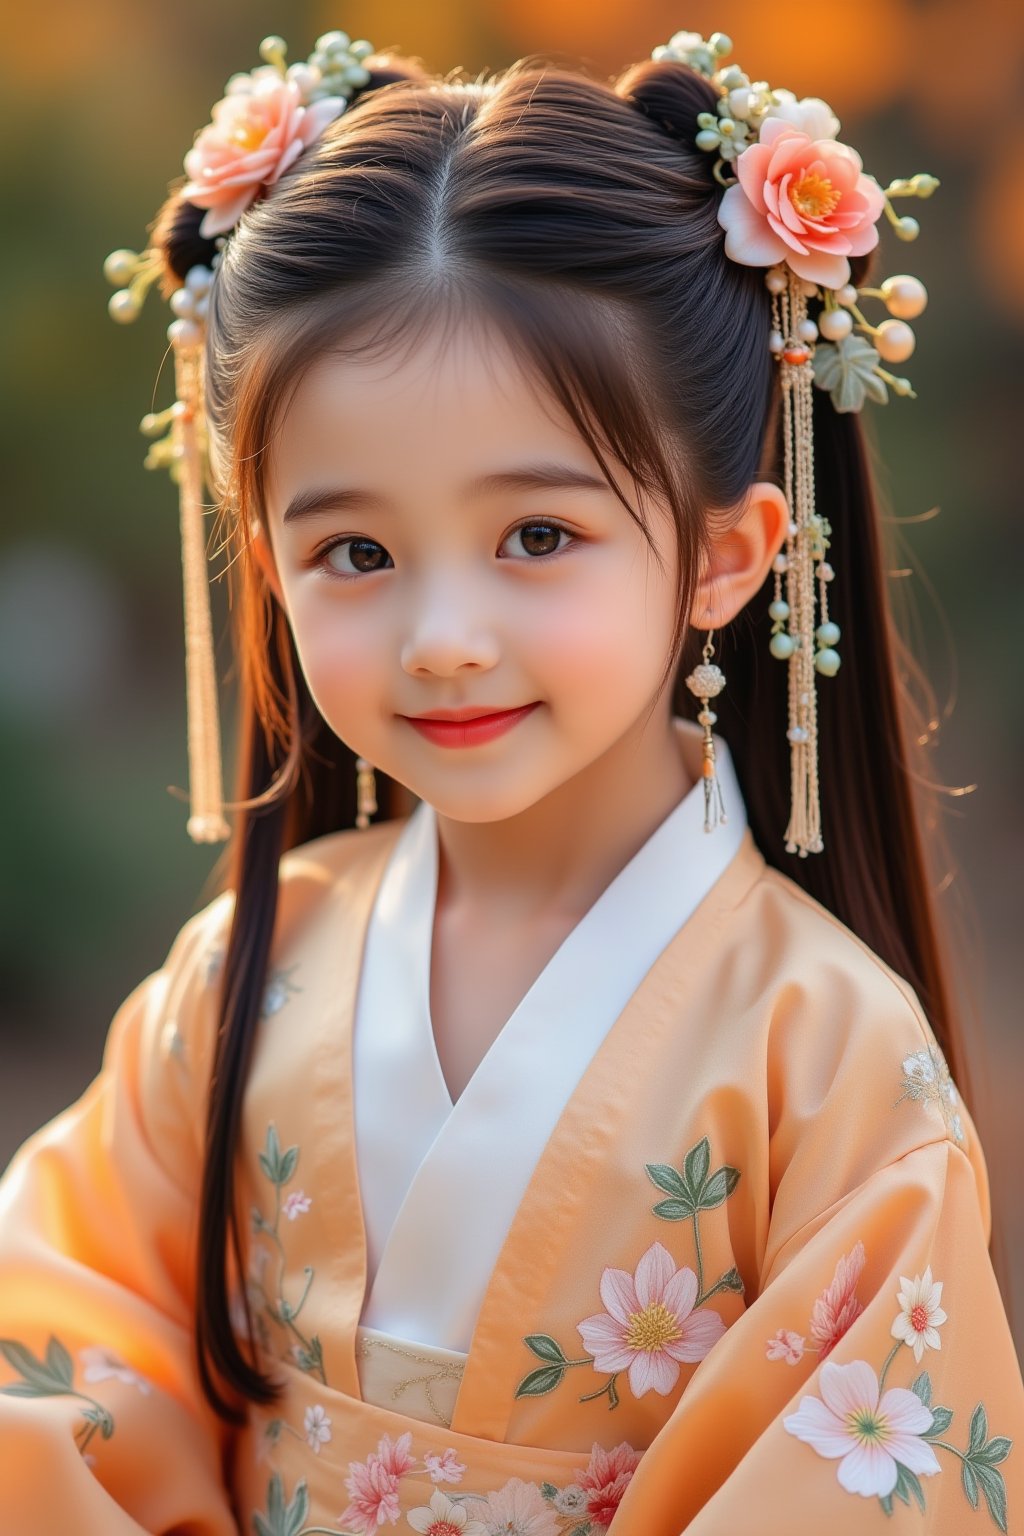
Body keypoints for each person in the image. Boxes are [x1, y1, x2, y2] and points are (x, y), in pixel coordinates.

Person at [1, 23, 1021, 1535]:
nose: (444, 641)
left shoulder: (830, 1059)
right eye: (355, 553)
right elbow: (61, 1344)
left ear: (726, 556)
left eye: (538, 536)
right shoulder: (241, 982)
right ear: (266, 560)